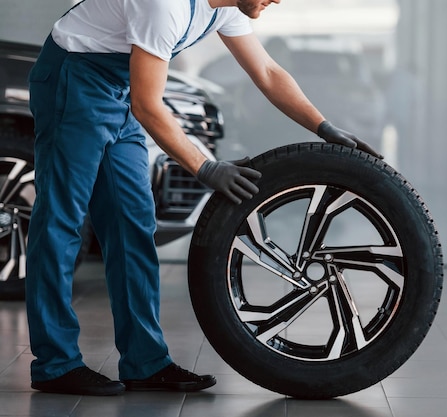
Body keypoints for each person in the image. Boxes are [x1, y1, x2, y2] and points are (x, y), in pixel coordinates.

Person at [26, 0, 382, 397]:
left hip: (120, 88)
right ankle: (55, 364)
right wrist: (206, 167)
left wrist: (323, 127)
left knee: (133, 225)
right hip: (75, 78)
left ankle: (145, 362)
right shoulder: (164, 5)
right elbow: (148, 105)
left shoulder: (226, 7)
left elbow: (267, 72)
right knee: (62, 221)